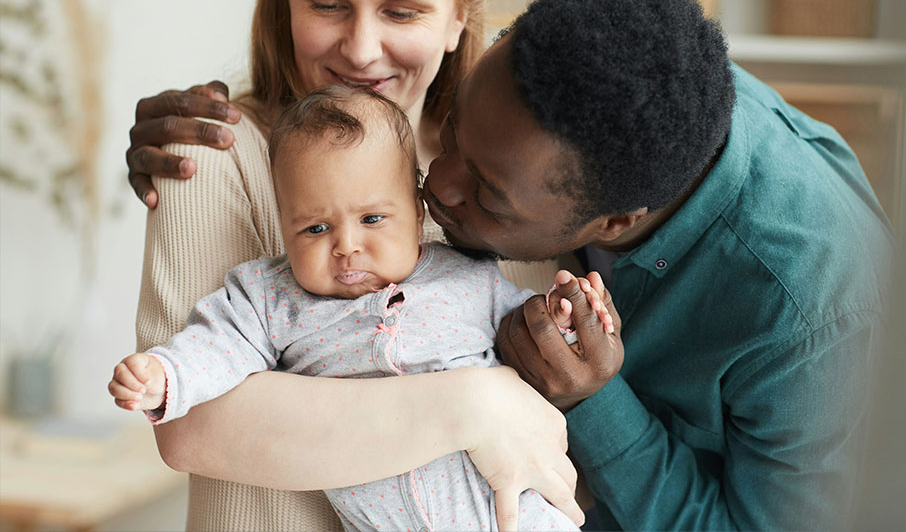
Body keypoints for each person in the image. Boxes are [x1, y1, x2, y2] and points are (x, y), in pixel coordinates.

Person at [132, 0, 894, 530]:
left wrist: (597, 402)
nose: (438, 183)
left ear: (616, 221)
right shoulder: (612, 75)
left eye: (486, 194)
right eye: (453, 130)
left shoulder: (812, 311)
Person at [125, 0, 583, 531]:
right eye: (328, 4)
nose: (362, 48)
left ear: (460, 13)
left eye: (402, 10)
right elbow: (194, 425)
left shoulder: (518, 174)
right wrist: (475, 404)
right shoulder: (211, 154)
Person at [113, 87, 614, 532]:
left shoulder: (467, 276)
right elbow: (216, 345)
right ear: (283, 223)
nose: (346, 245)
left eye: (372, 218)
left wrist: (565, 319)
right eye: (314, 228)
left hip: (509, 512)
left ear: (417, 212)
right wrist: (167, 373)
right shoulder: (269, 296)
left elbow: (528, 333)